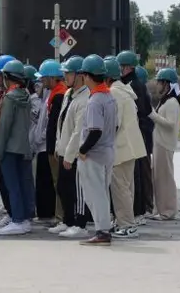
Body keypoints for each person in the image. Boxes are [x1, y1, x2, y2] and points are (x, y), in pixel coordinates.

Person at [76, 55, 118, 246]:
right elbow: (115, 126)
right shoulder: (109, 97)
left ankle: (102, 232)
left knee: (95, 194)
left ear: (87, 76)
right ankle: (104, 229)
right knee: (102, 193)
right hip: (108, 150)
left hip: (94, 154)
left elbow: (95, 131)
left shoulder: (95, 101)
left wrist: (83, 149)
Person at [104, 56, 147, 238]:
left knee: (120, 188)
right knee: (126, 187)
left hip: (121, 147)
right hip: (131, 147)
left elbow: (115, 123)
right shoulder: (124, 91)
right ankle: (125, 222)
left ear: (107, 77)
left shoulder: (114, 93)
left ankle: (127, 225)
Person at [51, 56, 91, 238]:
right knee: (63, 188)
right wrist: (59, 146)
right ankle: (67, 221)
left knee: (77, 191)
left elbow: (78, 131)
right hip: (64, 149)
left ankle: (80, 225)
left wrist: (69, 155)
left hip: (74, 153)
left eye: (69, 73)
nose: (65, 76)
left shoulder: (85, 98)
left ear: (80, 75)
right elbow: (62, 124)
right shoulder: (68, 94)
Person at [0, 59, 35, 235]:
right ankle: (25, 218)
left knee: (12, 185)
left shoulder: (10, 98)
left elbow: (4, 127)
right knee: (24, 183)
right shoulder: (26, 95)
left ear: (7, 77)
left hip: (9, 148)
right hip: (24, 145)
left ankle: (17, 219)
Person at [117, 50, 154, 222]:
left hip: (136, 133)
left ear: (127, 67)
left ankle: (139, 210)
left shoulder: (132, 86)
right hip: (139, 133)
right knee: (136, 174)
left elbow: (140, 112)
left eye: (120, 67)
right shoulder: (136, 84)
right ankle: (140, 209)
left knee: (136, 175)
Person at [148, 68, 180, 220]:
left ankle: (168, 211)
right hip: (160, 143)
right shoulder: (166, 100)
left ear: (167, 84)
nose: (157, 85)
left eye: (160, 82)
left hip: (165, 144)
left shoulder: (172, 102)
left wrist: (153, 115)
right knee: (159, 178)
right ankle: (160, 209)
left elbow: (170, 124)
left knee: (165, 179)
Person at [39, 59, 67, 224]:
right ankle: (60, 215)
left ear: (51, 78)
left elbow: (55, 125)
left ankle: (61, 216)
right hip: (54, 145)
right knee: (58, 182)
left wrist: (54, 147)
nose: (42, 81)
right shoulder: (58, 93)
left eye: (43, 78)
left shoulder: (58, 96)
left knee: (59, 182)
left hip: (55, 146)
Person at [0, 54, 15, 224]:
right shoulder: (0, 93)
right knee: (2, 177)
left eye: (0, 75)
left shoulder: (12, 96)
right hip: (1, 140)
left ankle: (13, 213)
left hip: (8, 143)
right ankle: (10, 210)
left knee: (9, 180)